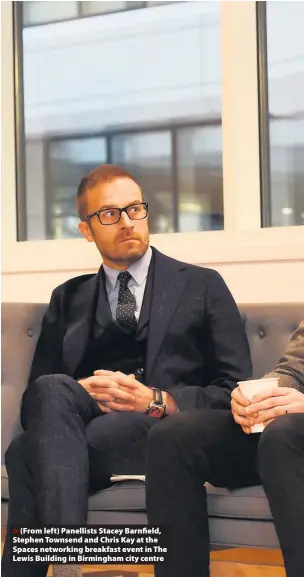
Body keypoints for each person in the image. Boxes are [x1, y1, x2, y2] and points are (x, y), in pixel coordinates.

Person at [2, 164, 251, 577]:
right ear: (86, 229)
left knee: (25, 453)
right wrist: (80, 389)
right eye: (109, 214)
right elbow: (36, 401)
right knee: (51, 390)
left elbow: (233, 389)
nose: (127, 222)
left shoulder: (202, 285)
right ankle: (68, 562)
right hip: (83, 431)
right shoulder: (67, 297)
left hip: (160, 434)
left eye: (135, 209)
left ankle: (62, 565)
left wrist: (155, 400)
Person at [146, 320, 304, 577]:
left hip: (288, 437)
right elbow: (296, 369)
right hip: (288, 429)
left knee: (282, 435)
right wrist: (259, 399)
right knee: (174, 437)